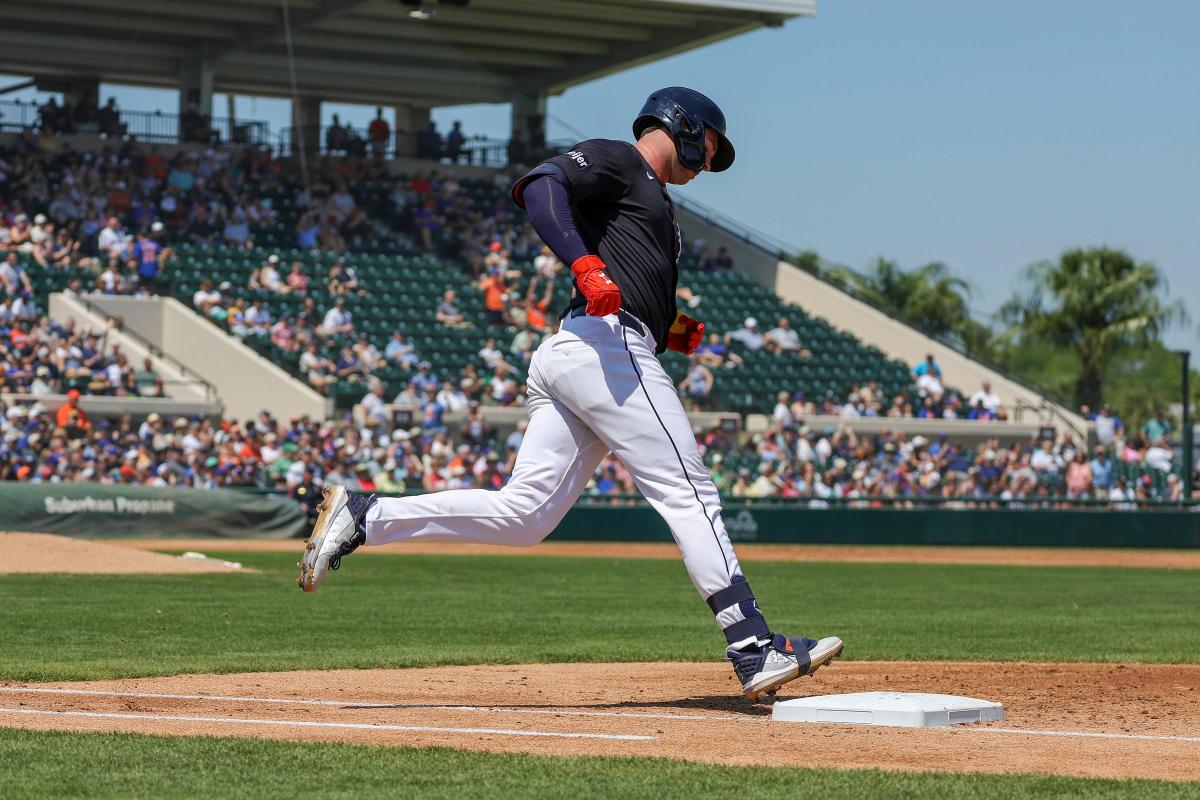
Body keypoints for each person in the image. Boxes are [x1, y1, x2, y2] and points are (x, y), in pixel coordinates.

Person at [298, 86, 842, 702]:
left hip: (585, 349)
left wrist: (678, 332)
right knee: (689, 491)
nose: (708, 159)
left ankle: (367, 516)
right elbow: (539, 186)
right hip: (604, 348)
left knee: (525, 516)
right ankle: (753, 646)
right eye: (710, 144)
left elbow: (641, 296)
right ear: (684, 126)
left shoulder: (650, 201)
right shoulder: (621, 159)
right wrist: (584, 265)